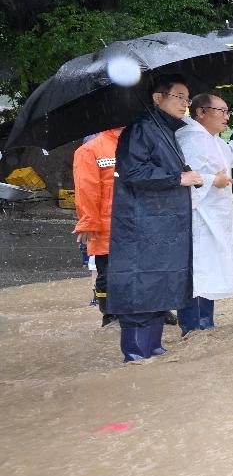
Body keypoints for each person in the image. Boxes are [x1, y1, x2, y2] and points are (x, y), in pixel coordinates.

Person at [107, 74, 203, 361]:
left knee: (159, 287)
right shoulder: (140, 129)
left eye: (188, 98)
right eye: (179, 97)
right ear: (157, 98)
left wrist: (185, 174)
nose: (185, 104)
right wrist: (178, 177)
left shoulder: (164, 130)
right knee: (141, 289)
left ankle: (154, 350)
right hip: (143, 227)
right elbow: (133, 172)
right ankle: (136, 355)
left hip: (162, 226)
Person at [175, 93, 233, 336]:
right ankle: (193, 327)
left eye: (228, 111)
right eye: (222, 111)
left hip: (217, 215)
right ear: (201, 112)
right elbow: (181, 177)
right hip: (199, 216)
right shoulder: (190, 138)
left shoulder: (211, 139)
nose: (227, 116)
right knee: (199, 271)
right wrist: (211, 180)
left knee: (211, 269)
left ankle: (205, 324)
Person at [72, 127, 123, 327]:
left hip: (137, 223)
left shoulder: (139, 144)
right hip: (106, 225)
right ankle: (109, 315)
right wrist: (87, 221)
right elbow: (86, 189)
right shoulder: (90, 150)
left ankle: (155, 312)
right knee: (108, 272)